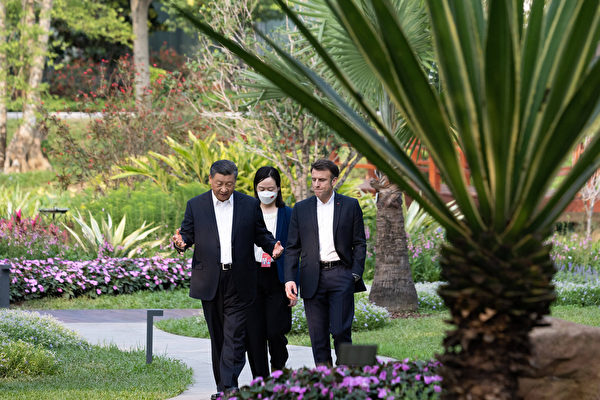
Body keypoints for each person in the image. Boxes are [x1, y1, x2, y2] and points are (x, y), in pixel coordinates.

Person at [171, 159, 283, 399]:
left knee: (235, 335)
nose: (224, 189)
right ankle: (223, 389)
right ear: (210, 180)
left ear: (235, 181)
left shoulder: (248, 205)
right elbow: (186, 235)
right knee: (219, 338)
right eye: (219, 183)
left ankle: (230, 387)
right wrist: (180, 243)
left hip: (240, 279)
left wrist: (273, 246)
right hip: (210, 280)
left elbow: (261, 234)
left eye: (229, 184)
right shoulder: (196, 205)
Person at [284, 158, 367, 366]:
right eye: (313, 179)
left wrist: (355, 273)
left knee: (341, 331)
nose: (316, 184)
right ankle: (325, 379)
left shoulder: (350, 205)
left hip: (341, 274)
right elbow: (292, 247)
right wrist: (290, 279)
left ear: (334, 181)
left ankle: (347, 375)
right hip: (312, 276)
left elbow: (359, 243)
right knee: (318, 336)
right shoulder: (301, 208)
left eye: (321, 180)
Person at [245, 166, 297, 379]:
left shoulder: (288, 214)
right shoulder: (247, 212)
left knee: (276, 331)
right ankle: (260, 380)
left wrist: (293, 282)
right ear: (255, 189)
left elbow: (294, 250)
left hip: (278, 277)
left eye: (270, 189)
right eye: (261, 189)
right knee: (254, 334)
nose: (266, 193)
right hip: (252, 276)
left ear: (278, 189)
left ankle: (278, 370)